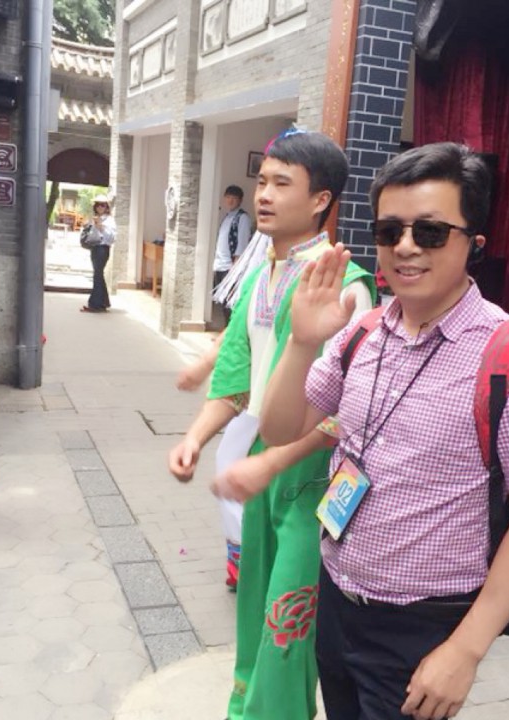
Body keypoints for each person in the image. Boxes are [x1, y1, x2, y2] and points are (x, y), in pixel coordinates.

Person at [260, 142, 509, 720]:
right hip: (336, 595)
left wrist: (466, 649)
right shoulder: (363, 333)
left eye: (429, 232)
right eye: (390, 231)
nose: (405, 247)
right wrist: (302, 343)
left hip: (422, 626)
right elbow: (281, 429)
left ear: (474, 243)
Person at [168, 130, 375, 720]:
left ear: (320, 200)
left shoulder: (347, 287)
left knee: (289, 619)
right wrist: (194, 437)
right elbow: (237, 375)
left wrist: (272, 459)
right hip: (262, 461)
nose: (264, 194)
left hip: (314, 476)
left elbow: (348, 411)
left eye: (282, 183)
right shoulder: (263, 276)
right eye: (262, 181)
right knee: (256, 604)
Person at [176, 231, 272, 589]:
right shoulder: (261, 276)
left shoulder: (333, 279)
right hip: (251, 400)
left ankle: (250, 561)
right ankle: (241, 559)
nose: (264, 202)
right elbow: (236, 334)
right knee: (229, 468)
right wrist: (204, 366)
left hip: (280, 409)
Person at [212, 185, 252, 324]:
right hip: (220, 265)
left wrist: (235, 270)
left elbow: (241, 245)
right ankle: (226, 330)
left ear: (240, 200)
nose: (230, 201)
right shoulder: (227, 217)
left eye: (234, 198)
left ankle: (229, 330)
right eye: (228, 197)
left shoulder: (242, 218)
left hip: (230, 267)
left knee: (230, 303)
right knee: (223, 303)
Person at [81, 194, 116, 313]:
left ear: (106, 207)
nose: (100, 207)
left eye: (103, 205)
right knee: (98, 275)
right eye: (98, 205)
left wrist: (101, 227)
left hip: (103, 248)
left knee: (97, 275)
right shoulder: (94, 218)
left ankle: (94, 304)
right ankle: (103, 303)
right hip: (95, 248)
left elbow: (111, 237)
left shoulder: (109, 220)